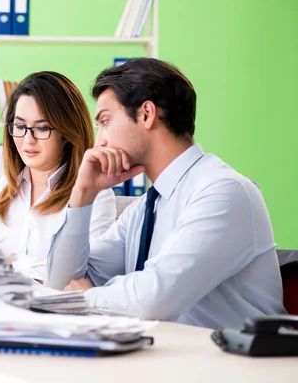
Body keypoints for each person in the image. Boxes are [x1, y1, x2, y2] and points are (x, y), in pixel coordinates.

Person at [47, 58, 285, 329]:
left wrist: (86, 298)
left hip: (231, 366)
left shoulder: (223, 192)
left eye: (105, 121)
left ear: (146, 113)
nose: (99, 140)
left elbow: (154, 298)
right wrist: (83, 193)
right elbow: (59, 285)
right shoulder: (144, 208)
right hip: (165, 363)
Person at [0, 71, 116, 284]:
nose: (28, 139)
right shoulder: (3, 189)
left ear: (66, 132)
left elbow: (81, 278)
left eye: (42, 128)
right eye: (20, 126)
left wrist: (12, 264)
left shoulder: (93, 196)